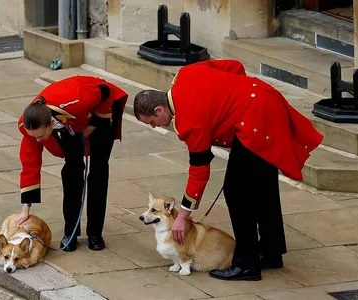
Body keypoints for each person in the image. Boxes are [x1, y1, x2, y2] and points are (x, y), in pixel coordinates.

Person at [133, 59, 323, 281]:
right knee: (263, 186)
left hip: (255, 123)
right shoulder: (185, 74)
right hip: (264, 100)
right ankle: (271, 252)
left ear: (159, 109)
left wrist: (183, 216)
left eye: (153, 122)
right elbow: (234, 66)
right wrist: (237, 96)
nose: (155, 126)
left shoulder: (189, 122)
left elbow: (199, 172)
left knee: (236, 192)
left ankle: (247, 264)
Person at [14, 76, 128, 252]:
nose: (36, 140)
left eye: (40, 135)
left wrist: (91, 127)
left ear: (50, 123)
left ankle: (95, 233)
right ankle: (71, 232)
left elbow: (106, 92)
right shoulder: (30, 126)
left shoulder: (77, 99)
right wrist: (25, 209)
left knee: (98, 171)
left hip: (99, 115)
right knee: (72, 172)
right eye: (33, 136)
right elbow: (29, 166)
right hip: (71, 125)